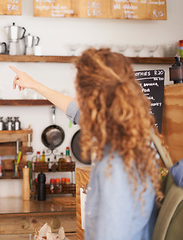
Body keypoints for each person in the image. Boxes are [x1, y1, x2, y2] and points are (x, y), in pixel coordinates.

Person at [10, 48, 162, 240]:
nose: (78, 96)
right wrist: (34, 85)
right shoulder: (128, 132)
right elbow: (75, 109)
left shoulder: (116, 162)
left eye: (80, 89)